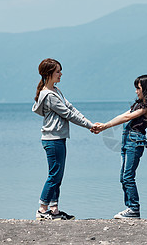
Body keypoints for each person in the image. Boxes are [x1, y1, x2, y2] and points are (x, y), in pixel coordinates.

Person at [32, 58, 94, 221]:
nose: (61, 74)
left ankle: (54, 210)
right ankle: (42, 209)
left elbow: (71, 108)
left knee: (57, 175)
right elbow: (68, 114)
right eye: (58, 71)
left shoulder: (56, 91)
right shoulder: (49, 95)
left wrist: (90, 123)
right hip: (52, 140)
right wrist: (90, 126)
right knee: (54, 175)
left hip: (58, 138)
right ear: (49, 73)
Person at [92, 75, 147, 219]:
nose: (136, 91)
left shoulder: (146, 107)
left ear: (146, 89)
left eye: (138, 88)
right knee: (123, 177)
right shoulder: (138, 104)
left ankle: (134, 208)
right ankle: (130, 207)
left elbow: (126, 118)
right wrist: (103, 125)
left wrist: (105, 126)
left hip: (134, 142)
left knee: (128, 176)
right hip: (127, 140)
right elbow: (123, 115)